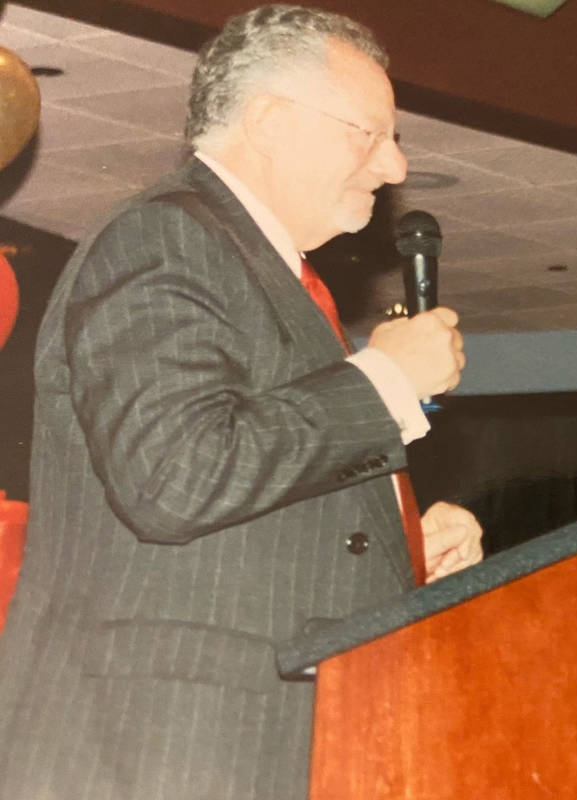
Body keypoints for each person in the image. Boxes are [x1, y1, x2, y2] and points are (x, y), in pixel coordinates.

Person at [0, 6, 483, 799]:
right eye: (372, 133)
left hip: (244, 739)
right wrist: (385, 382)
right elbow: (174, 477)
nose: (395, 167)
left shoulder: (256, 267)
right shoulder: (166, 238)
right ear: (270, 122)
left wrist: (399, 547)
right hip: (169, 745)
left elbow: (245, 505)